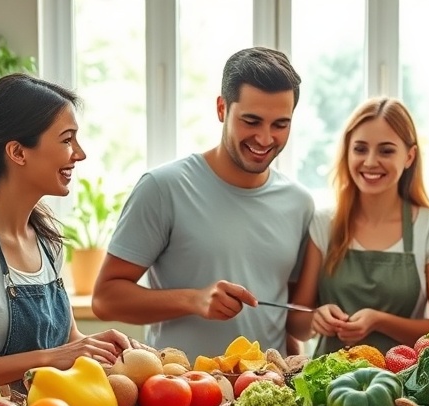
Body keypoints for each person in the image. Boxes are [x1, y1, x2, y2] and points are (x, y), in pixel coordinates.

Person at [92, 47, 313, 358]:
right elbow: (105, 299)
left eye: (280, 124)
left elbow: (285, 319)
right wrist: (193, 300)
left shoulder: (299, 203)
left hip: (268, 391)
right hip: (182, 394)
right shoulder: (163, 187)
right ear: (222, 108)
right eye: (251, 121)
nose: (265, 138)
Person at [0, 74, 131, 388]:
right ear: (17, 152)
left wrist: (104, 350)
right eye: (67, 139)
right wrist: (49, 358)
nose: (79, 153)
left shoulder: (46, 238)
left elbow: (67, 341)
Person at [286, 97, 429, 355]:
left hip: (402, 385)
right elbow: (296, 324)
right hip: (327, 384)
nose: (370, 162)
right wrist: (315, 319)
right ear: (347, 151)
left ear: (409, 156)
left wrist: (379, 321)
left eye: (386, 151)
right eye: (360, 149)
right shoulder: (324, 224)